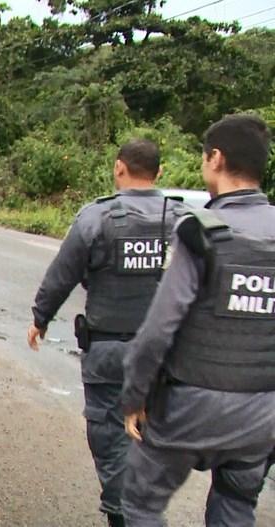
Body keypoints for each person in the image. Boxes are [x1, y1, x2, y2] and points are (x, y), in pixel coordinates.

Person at [120, 115, 275, 526]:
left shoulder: (202, 231)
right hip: (261, 415)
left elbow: (157, 331)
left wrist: (135, 397)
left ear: (216, 159)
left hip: (189, 409)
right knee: (237, 504)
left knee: (140, 504)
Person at [27, 140, 181, 527]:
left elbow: (62, 274)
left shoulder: (97, 218)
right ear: (159, 173)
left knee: (112, 441)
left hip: (110, 351)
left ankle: (127, 515)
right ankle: (144, 509)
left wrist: (40, 318)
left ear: (118, 169)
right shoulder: (184, 221)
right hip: (168, 355)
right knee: (157, 439)